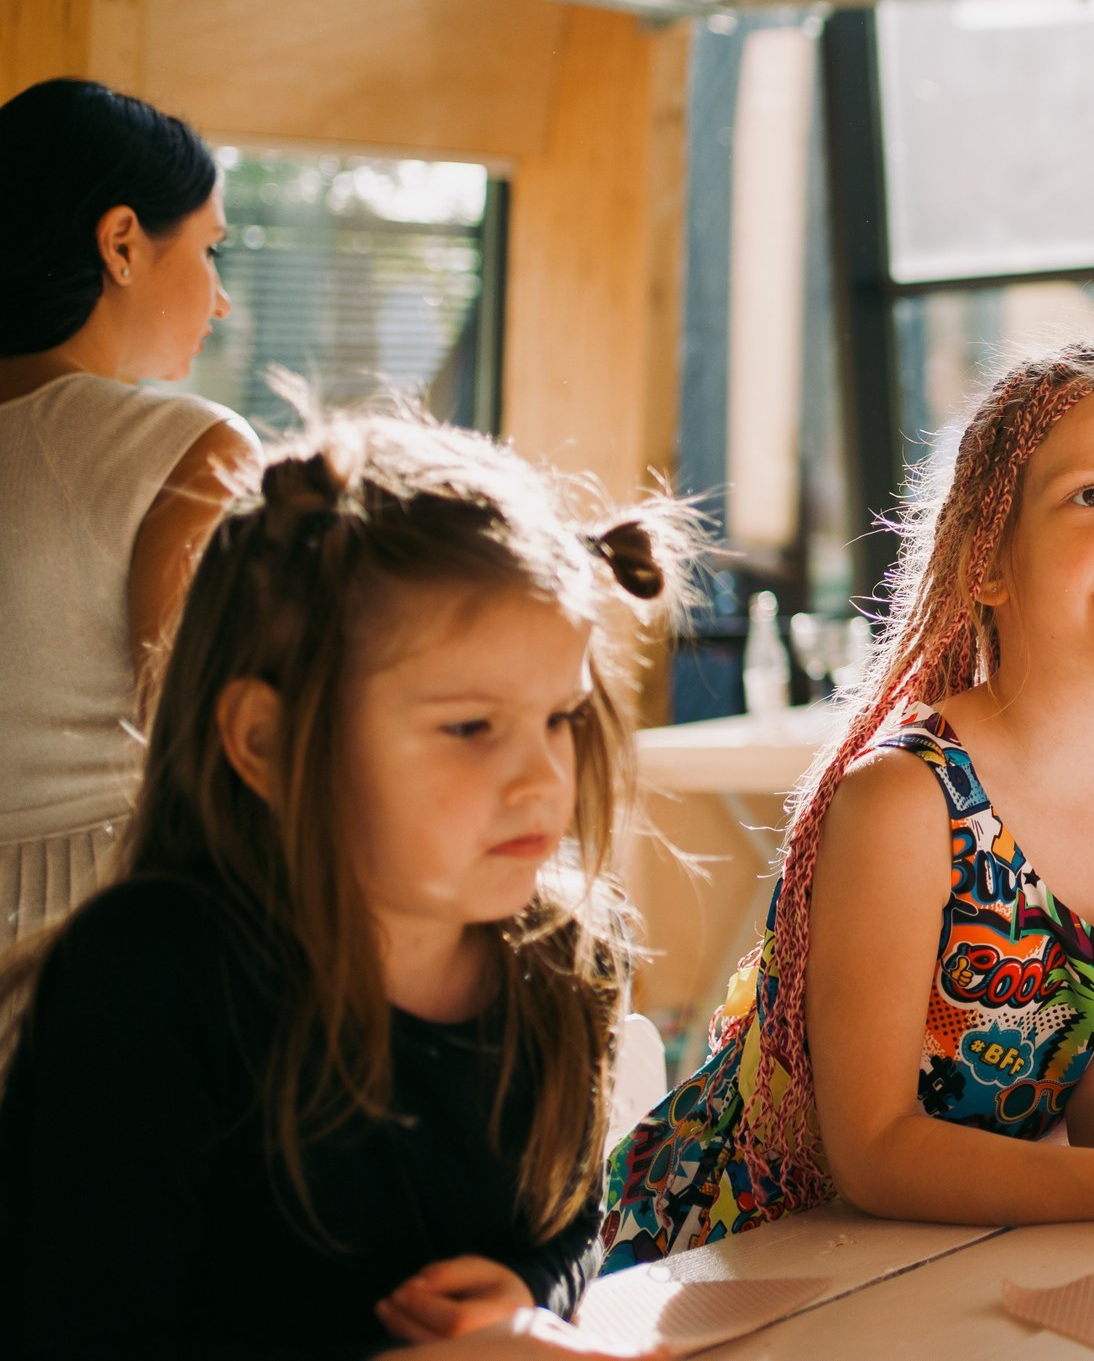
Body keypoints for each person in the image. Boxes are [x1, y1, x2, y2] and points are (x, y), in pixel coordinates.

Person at [602, 341, 1094, 1262]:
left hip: (950, 1253)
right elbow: (874, 1153)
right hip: (734, 1256)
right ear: (988, 559)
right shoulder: (905, 803)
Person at [0, 402, 692, 1358]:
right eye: (468, 728)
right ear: (267, 742)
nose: (544, 779)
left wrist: (524, 1290)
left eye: (560, 718)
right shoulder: (152, 977)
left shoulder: (566, 963)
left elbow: (565, 1222)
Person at [0, 76, 258, 949]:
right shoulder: (185, 448)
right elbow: (213, 758)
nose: (220, 300)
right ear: (121, 242)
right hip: (97, 948)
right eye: (211, 250)